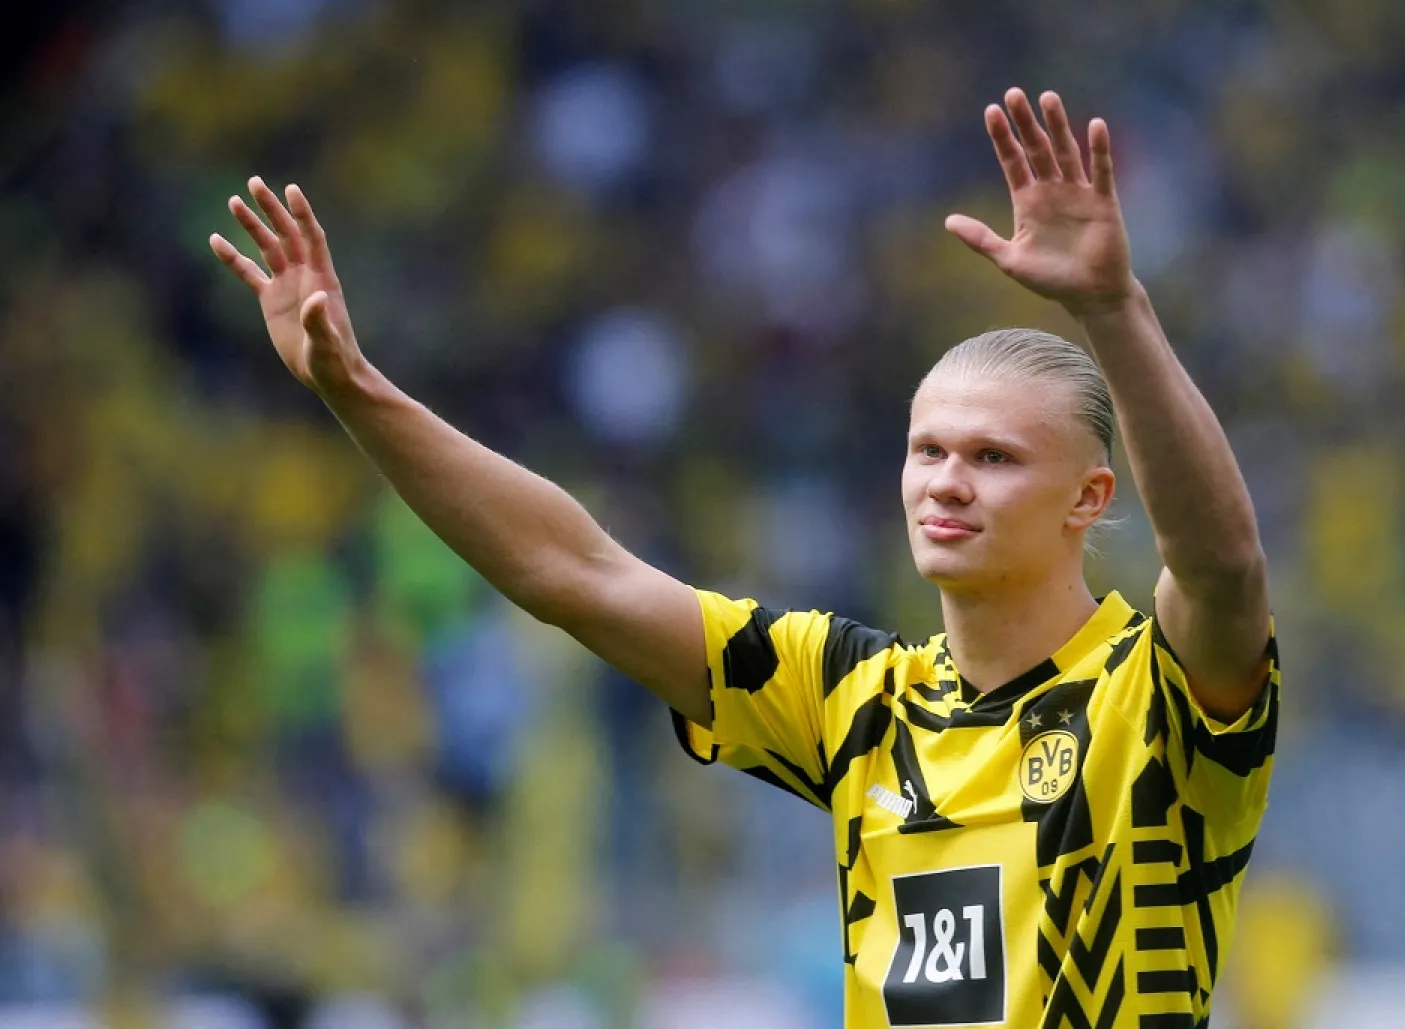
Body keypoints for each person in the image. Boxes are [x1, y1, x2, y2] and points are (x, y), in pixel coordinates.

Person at [211, 88, 1277, 1029]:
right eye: (927, 450)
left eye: (994, 458)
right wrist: (355, 389)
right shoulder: (856, 700)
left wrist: (1112, 311)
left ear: (1090, 501)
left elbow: (1223, 566)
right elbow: (575, 574)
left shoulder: (1156, 695)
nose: (947, 481)